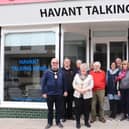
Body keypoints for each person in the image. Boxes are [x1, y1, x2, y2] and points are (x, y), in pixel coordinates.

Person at [41, 58, 68, 129]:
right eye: (53, 63)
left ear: (58, 64)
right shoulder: (47, 72)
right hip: (49, 94)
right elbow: (43, 83)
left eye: (56, 63)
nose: (54, 64)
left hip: (59, 94)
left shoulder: (61, 72)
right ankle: (49, 123)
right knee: (50, 110)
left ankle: (58, 122)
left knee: (58, 109)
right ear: (51, 63)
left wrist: (65, 91)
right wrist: (44, 92)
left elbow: (65, 82)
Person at [73, 63, 93, 128]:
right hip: (77, 96)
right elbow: (73, 84)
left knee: (86, 110)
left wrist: (85, 90)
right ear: (80, 70)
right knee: (78, 110)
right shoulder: (76, 75)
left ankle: (86, 122)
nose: (83, 71)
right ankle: (78, 123)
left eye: (84, 70)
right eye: (82, 70)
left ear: (87, 70)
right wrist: (79, 90)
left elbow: (91, 85)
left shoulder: (90, 76)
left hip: (87, 96)